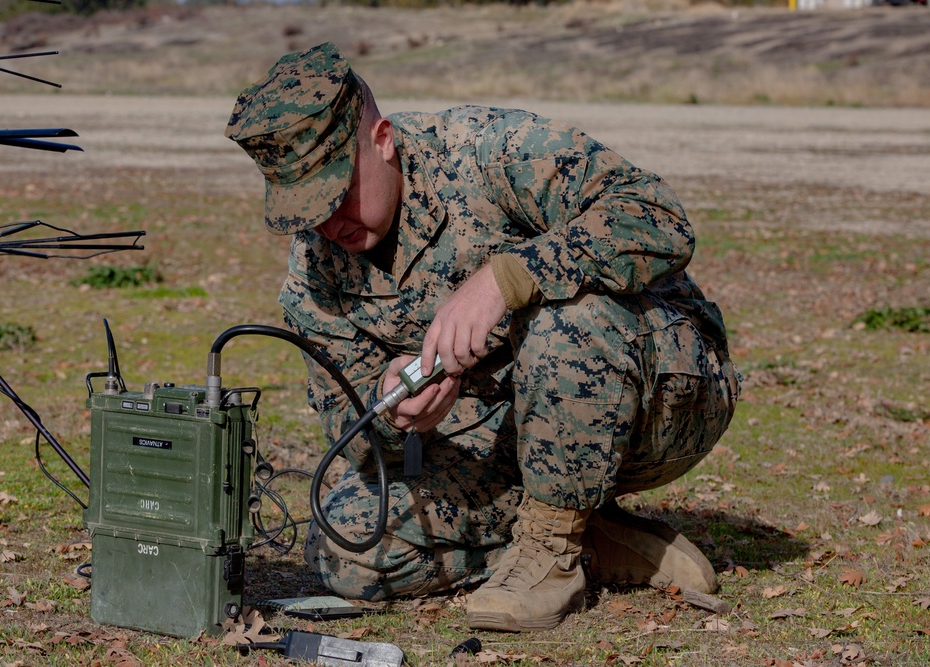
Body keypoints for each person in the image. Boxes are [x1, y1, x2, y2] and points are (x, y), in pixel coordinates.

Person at [225, 42, 740, 633]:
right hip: (507, 442)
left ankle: (552, 552)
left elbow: (659, 218)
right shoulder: (316, 271)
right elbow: (353, 439)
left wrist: (507, 279)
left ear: (383, 139)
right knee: (344, 552)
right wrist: (391, 414)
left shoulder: (490, 151)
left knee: (567, 316)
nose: (328, 223)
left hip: (666, 393)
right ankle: (581, 532)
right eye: (305, 209)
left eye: (337, 193)